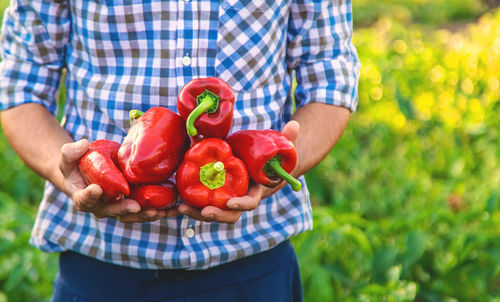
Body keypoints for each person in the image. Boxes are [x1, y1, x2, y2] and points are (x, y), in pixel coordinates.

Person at [0, 0, 359, 301]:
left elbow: (331, 80)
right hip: (100, 268)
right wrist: (73, 172)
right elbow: (20, 87)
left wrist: (277, 169)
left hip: (254, 267)